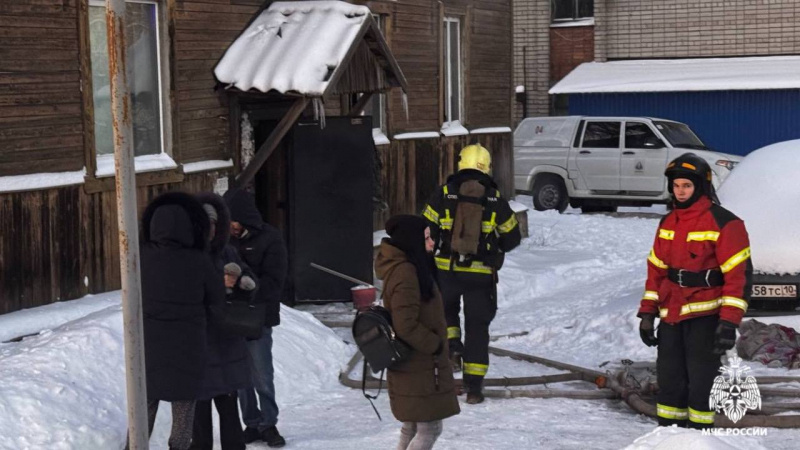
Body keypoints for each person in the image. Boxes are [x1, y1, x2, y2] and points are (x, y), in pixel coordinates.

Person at [637, 153, 752, 429]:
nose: (681, 191)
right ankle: (667, 436)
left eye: (687, 186)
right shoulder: (667, 223)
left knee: (701, 382)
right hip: (672, 315)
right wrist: (647, 314)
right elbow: (656, 271)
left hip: (706, 317)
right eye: (676, 185)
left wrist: (728, 322)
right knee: (670, 379)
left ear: (700, 186)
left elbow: (739, 277)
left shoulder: (725, 223)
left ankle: (700, 436)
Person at [422, 144, 521, 404]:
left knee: (446, 314)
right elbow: (512, 238)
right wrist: (494, 249)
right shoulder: (494, 199)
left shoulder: (443, 194)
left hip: (446, 271)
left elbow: (425, 229)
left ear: (460, 163)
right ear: (486, 167)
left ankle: (453, 348)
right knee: (477, 328)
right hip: (480, 276)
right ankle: (474, 388)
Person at [139, 191, 225, 450]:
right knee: (183, 413)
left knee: (144, 407)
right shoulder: (200, 260)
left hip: (149, 344)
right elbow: (216, 300)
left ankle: (133, 446)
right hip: (188, 347)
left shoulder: (140, 256)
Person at [375, 214, 460, 450]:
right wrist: (435, 344)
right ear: (412, 240)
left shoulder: (410, 267)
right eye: (426, 238)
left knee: (412, 426)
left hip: (417, 365)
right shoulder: (406, 273)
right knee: (430, 429)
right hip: (420, 364)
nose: (432, 243)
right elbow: (406, 324)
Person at [190, 194, 255, 450]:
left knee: (229, 413)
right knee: (199, 416)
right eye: (206, 224)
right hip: (198, 343)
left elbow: (248, 277)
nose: (211, 230)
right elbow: (183, 293)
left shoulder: (227, 250)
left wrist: (242, 283)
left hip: (226, 342)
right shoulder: (186, 255)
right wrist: (219, 284)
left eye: (215, 224)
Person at [223, 188, 288, 447]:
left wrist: (244, 283)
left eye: (233, 221)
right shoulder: (224, 241)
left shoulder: (270, 239)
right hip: (230, 317)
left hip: (257, 317)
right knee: (240, 378)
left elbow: (275, 282)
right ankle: (250, 423)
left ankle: (268, 423)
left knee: (262, 374)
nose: (230, 227)